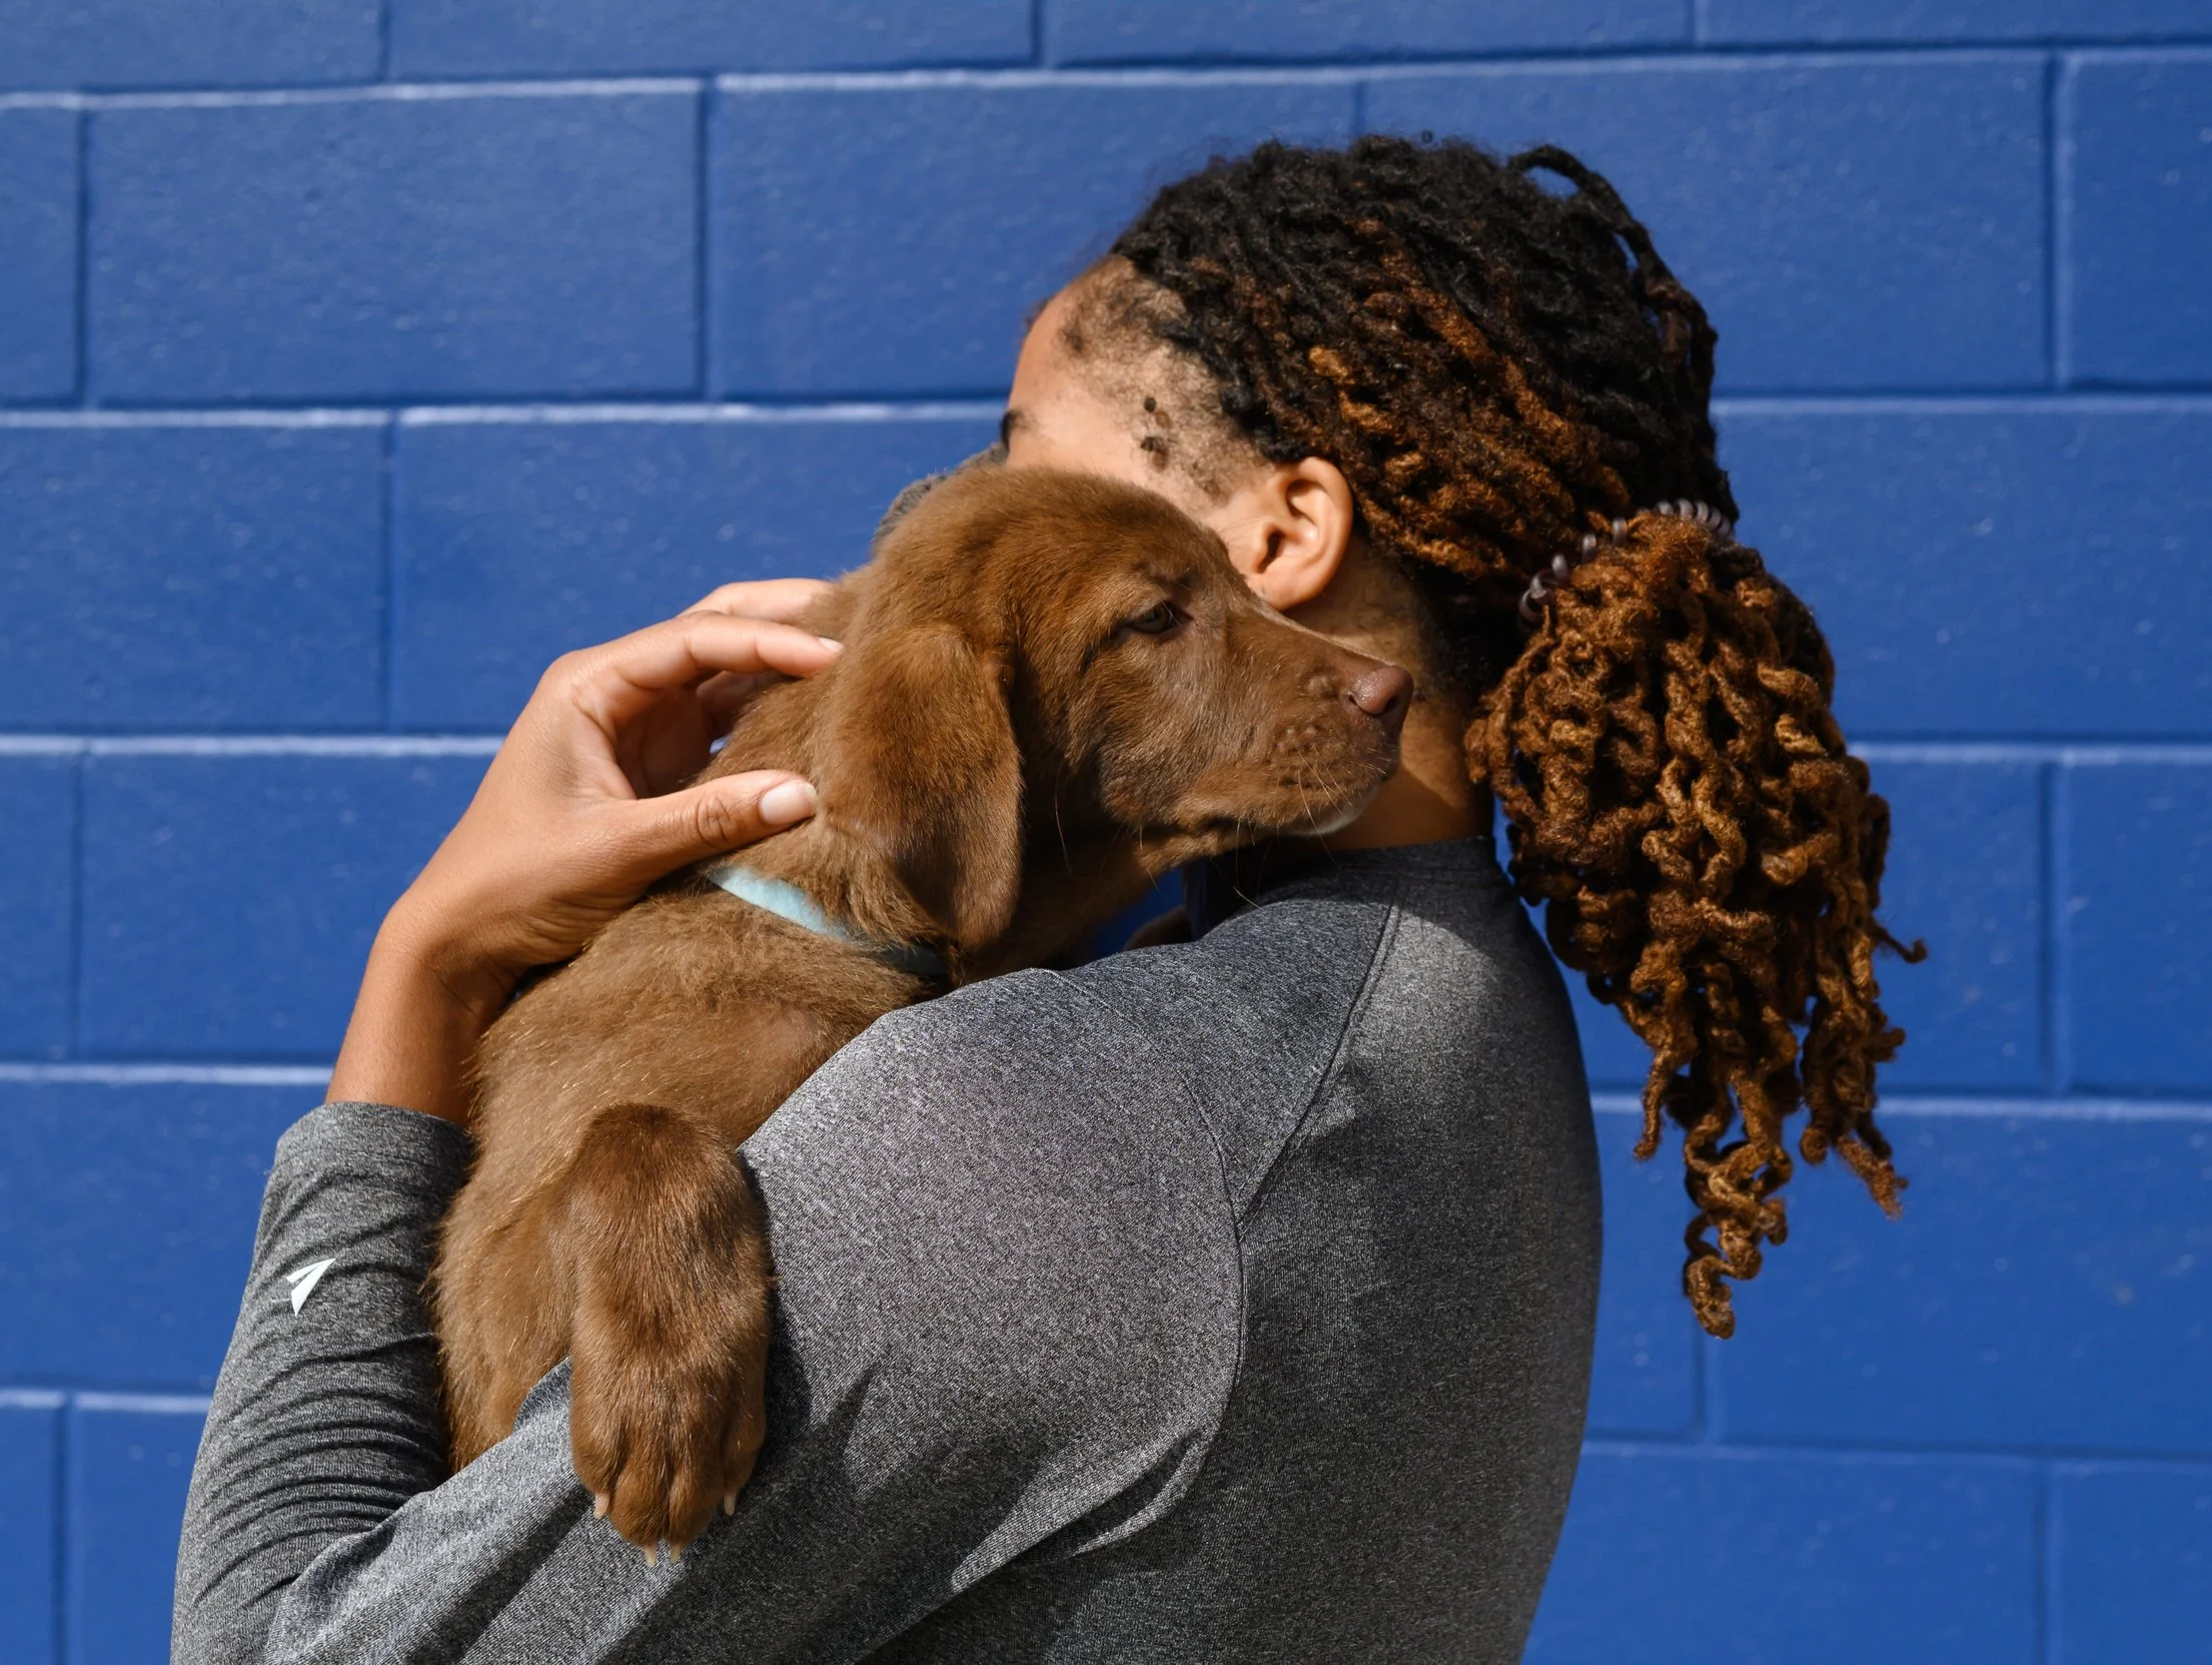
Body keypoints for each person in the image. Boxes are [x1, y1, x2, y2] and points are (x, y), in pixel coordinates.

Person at [172, 137, 1911, 1664]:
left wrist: (430, 957)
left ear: (1285, 529)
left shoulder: (1064, 1127)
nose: (971, 509)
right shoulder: (1457, 1020)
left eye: (1021, 448)